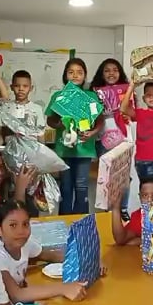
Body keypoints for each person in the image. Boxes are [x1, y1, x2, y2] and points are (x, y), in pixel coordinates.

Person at [0, 200, 89, 303]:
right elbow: (17, 295)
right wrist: (63, 288)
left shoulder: (25, 243)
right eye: (13, 225)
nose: (21, 231)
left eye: (25, 224)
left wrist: (87, 259)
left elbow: (52, 255)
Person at [45, 58, 104, 214]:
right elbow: (50, 120)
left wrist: (92, 133)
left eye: (79, 72)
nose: (75, 76)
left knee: (81, 186)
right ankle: (64, 223)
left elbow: (99, 121)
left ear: (85, 76)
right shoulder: (59, 96)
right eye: (71, 72)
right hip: (63, 149)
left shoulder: (91, 96)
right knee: (65, 187)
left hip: (84, 149)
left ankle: (81, 223)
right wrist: (62, 125)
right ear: (65, 75)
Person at [89, 58, 132, 218]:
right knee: (106, 175)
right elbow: (92, 117)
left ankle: (123, 209)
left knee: (123, 174)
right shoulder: (95, 93)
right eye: (107, 70)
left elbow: (133, 112)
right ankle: (108, 211)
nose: (111, 73)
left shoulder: (127, 91)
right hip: (103, 140)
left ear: (120, 73)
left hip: (123, 138)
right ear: (101, 73)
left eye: (115, 70)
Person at [110, 174, 153, 246]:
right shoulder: (138, 216)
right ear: (140, 197)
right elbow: (120, 239)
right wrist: (115, 208)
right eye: (145, 196)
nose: (149, 200)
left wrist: (142, 241)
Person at [0, 148, 39, 217]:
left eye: (2, 167)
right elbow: (16, 218)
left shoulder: (6, 188)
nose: (0, 172)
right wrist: (20, 188)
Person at [0, 70, 46, 144]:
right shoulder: (6, 108)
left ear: (31, 88)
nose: (21, 89)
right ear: (11, 87)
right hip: (11, 150)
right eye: (17, 86)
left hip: (31, 152)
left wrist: (43, 154)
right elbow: (2, 134)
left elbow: (40, 135)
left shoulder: (37, 109)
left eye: (25, 86)